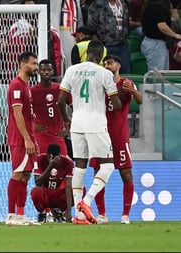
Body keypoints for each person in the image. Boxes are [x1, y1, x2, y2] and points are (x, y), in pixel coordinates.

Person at [58, 40, 122, 225]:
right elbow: (116, 105)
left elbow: (61, 100)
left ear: (86, 53)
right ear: (102, 56)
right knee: (108, 165)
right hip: (96, 123)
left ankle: (79, 216)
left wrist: (67, 121)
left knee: (80, 165)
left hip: (77, 122)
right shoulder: (104, 73)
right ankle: (86, 202)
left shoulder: (71, 70)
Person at [89, 54, 143, 225]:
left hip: (119, 136)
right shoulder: (99, 84)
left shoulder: (126, 83)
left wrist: (133, 91)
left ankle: (125, 215)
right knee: (98, 174)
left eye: (110, 63)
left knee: (126, 174)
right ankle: (102, 214)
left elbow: (140, 101)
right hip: (101, 135)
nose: (106, 65)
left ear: (118, 65)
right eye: (104, 63)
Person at [5, 51, 40, 226]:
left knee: (25, 175)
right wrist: (26, 139)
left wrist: (33, 138)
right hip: (19, 138)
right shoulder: (16, 85)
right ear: (23, 64)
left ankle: (20, 214)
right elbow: (17, 114)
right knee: (18, 174)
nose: (36, 67)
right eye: (33, 64)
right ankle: (11, 215)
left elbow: (28, 115)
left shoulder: (25, 85)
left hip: (28, 137)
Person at [31, 59, 72, 158]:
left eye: (49, 70)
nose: (46, 72)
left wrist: (68, 129)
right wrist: (33, 126)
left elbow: (76, 107)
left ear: (53, 71)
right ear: (39, 72)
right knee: (41, 168)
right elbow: (23, 112)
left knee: (63, 166)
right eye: (43, 70)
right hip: (41, 137)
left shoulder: (60, 89)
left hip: (58, 135)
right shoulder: (32, 91)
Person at [30, 143, 74, 223]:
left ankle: (62, 212)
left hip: (59, 195)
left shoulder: (68, 162)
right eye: (50, 157)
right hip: (46, 194)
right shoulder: (39, 159)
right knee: (35, 191)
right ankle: (43, 214)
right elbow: (38, 182)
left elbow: (68, 186)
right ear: (48, 155)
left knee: (80, 190)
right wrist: (50, 166)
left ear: (60, 155)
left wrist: (69, 211)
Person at [87, 0, 131, 74]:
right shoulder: (97, 5)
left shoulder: (123, 4)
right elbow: (91, 26)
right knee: (105, 73)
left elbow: (126, 23)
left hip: (123, 45)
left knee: (124, 73)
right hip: (105, 45)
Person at [141, 0, 181, 71]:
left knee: (163, 73)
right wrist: (175, 35)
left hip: (159, 43)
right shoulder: (157, 8)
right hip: (155, 44)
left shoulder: (153, 6)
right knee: (157, 75)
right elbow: (162, 26)